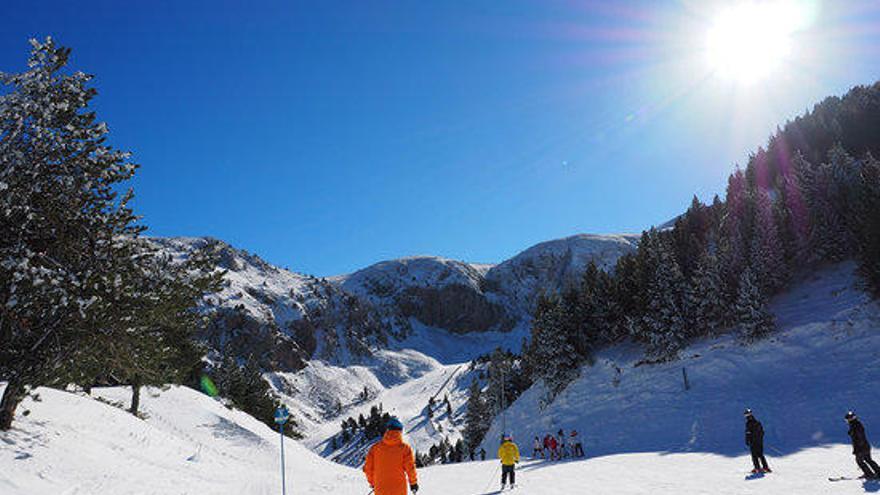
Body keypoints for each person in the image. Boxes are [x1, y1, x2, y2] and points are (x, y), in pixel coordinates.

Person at [363, 417, 419, 495]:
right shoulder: (405, 448)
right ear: (400, 431)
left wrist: (373, 483)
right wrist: (413, 483)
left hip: (380, 489)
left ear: (387, 430)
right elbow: (410, 468)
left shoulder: (375, 448)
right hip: (399, 490)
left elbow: (368, 468)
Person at [846, 411, 880, 479]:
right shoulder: (855, 425)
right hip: (865, 446)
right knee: (868, 459)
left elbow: (860, 437)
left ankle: (869, 474)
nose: (847, 421)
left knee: (859, 461)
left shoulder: (855, 426)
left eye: (848, 419)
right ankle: (878, 472)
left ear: (851, 419)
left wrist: (858, 449)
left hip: (862, 447)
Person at [744, 409, 771, 473]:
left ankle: (757, 468)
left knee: (754, 455)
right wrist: (760, 439)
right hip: (759, 442)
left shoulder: (748, 423)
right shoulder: (758, 422)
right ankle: (766, 467)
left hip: (753, 442)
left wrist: (747, 440)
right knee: (760, 454)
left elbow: (748, 433)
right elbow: (762, 432)